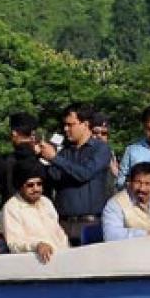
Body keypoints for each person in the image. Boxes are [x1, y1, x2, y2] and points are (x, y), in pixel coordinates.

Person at [36, 105, 113, 245]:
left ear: (85, 124)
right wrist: (39, 157)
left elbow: (84, 173)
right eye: (64, 125)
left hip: (91, 224)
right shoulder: (64, 151)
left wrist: (54, 159)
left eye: (70, 124)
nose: (66, 129)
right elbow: (53, 177)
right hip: (62, 223)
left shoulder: (100, 149)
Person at [1, 160, 69, 264]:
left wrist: (68, 252)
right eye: (30, 185)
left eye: (39, 184)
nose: (36, 189)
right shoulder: (11, 208)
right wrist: (37, 245)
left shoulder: (46, 202)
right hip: (34, 262)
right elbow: (15, 244)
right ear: (20, 186)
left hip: (61, 259)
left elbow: (59, 233)